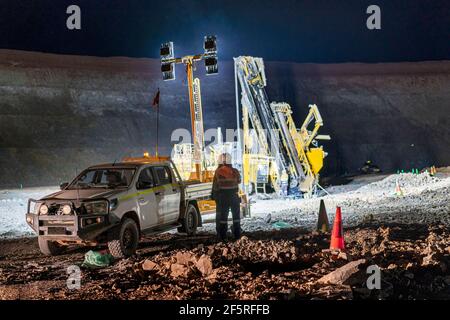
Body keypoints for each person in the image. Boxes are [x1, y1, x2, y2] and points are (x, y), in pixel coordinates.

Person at [212, 153, 242, 241]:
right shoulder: (235, 171)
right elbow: (239, 181)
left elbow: (215, 187)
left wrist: (216, 196)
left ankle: (223, 236)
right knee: (236, 217)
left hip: (223, 197)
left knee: (223, 218)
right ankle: (237, 235)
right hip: (234, 196)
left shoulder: (218, 171)